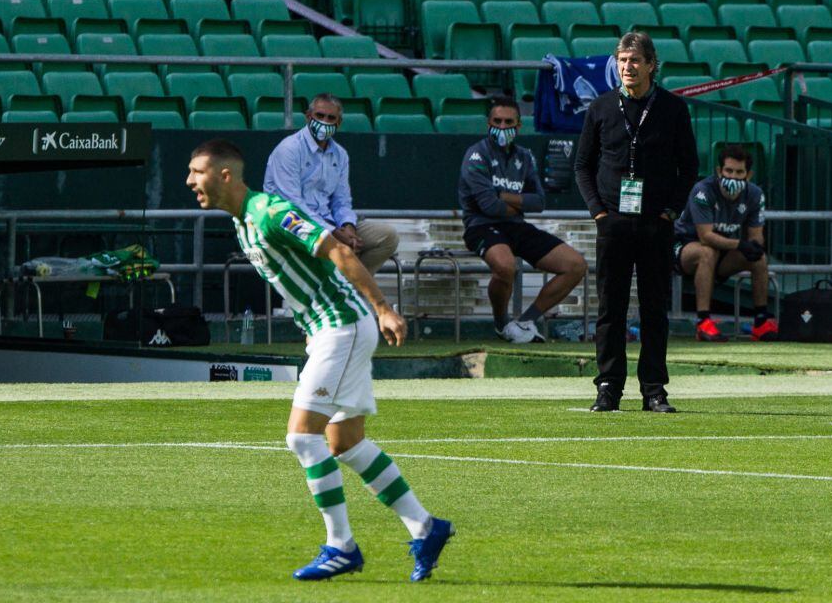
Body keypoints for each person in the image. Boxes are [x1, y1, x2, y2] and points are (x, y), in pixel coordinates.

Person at [187, 139, 453, 582]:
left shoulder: (270, 212)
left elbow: (340, 251)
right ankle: (425, 527)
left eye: (197, 171)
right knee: (345, 443)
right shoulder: (242, 222)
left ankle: (340, 546)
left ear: (225, 175)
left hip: (343, 325)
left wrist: (384, 307)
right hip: (329, 330)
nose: (190, 180)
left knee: (302, 438)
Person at [574, 32, 699, 413]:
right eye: (622, 60)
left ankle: (654, 389)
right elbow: (582, 165)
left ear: (650, 65)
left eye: (634, 60)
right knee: (610, 309)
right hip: (613, 223)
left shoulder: (673, 109)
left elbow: (689, 166)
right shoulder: (600, 108)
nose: (627, 67)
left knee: (653, 309)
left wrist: (671, 211)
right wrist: (598, 212)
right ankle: (608, 387)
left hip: (655, 225)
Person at [458, 96, 588, 343]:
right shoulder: (476, 155)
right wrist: (516, 202)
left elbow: (539, 202)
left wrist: (503, 196)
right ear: (488, 123)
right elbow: (488, 206)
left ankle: (526, 320)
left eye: (509, 122)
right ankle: (501, 324)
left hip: (517, 226)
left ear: (519, 126)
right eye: (497, 121)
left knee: (575, 265)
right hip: (481, 226)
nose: (503, 127)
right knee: (506, 266)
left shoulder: (525, 156)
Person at [264, 93, 399, 276]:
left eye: (331, 118)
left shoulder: (340, 154)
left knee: (387, 236)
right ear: (308, 116)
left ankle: (348, 291)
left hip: (330, 223)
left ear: (338, 123)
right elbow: (293, 205)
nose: (324, 121)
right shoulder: (289, 149)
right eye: (319, 116)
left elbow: (341, 201)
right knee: (333, 245)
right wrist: (334, 232)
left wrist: (349, 227)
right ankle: (339, 293)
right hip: (293, 223)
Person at [674, 144, 778, 342]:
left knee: (759, 258)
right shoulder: (702, 190)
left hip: (724, 250)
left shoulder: (755, 194)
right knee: (707, 252)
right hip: (685, 246)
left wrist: (755, 246)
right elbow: (706, 236)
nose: (733, 176)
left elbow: (756, 235)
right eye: (728, 170)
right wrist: (740, 245)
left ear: (748, 175)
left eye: (739, 172)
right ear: (719, 171)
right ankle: (703, 322)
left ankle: (761, 322)